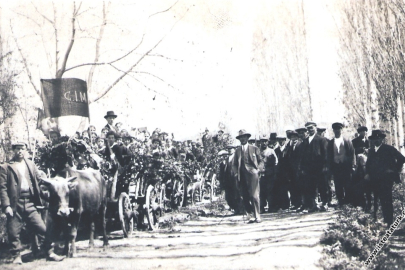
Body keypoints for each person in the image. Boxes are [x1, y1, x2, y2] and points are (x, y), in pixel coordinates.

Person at [0, 142, 64, 264]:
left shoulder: (31, 165)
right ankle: (16, 256)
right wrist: (6, 205)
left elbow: (39, 183)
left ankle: (49, 252)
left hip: (30, 202)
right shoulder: (6, 167)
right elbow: (2, 188)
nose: (20, 151)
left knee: (42, 229)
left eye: (22, 148)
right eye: (17, 149)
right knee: (14, 232)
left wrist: (46, 193)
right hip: (15, 204)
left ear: (25, 150)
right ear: (13, 150)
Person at [365, 130, 405, 226]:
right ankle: (375, 220)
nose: (376, 141)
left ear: (382, 139)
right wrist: (367, 174)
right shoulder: (371, 151)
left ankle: (389, 221)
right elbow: (368, 164)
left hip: (386, 179)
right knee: (374, 199)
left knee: (386, 199)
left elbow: (402, 158)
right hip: (374, 179)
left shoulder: (388, 149)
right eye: (375, 139)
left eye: (379, 138)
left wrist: (394, 170)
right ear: (372, 140)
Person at [232, 129, 263, 223]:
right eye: (241, 137)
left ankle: (257, 215)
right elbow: (234, 164)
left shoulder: (254, 148)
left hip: (253, 174)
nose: (243, 139)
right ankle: (250, 214)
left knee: (254, 195)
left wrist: (258, 170)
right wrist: (236, 173)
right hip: (242, 175)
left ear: (248, 138)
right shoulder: (237, 151)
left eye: (244, 137)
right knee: (245, 196)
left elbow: (261, 161)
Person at [298, 122, 328, 213]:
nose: (310, 130)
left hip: (319, 167)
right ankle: (313, 205)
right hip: (308, 169)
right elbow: (302, 156)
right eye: (308, 128)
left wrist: (325, 166)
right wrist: (302, 168)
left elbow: (325, 154)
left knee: (322, 185)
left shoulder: (321, 139)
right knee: (311, 187)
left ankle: (324, 203)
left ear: (315, 128)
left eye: (311, 128)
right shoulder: (305, 141)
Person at [327, 122, 356, 207]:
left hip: (346, 166)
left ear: (341, 130)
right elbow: (329, 156)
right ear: (333, 131)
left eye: (339, 129)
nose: (337, 131)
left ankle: (348, 202)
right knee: (338, 185)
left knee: (347, 184)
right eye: (335, 129)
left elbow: (352, 153)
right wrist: (329, 168)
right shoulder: (331, 142)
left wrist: (353, 165)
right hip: (336, 167)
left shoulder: (347, 141)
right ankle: (341, 201)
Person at [258, 134, 278, 213]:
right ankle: (261, 207)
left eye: (265, 141)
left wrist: (272, 171)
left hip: (269, 174)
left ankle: (271, 207)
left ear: (267, 142)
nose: (264, 143)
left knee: (270, 190)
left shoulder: (271, 151)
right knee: (261, 191)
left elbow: (276, 162)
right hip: (260, 174)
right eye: (262, 141)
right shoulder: (257, 151)